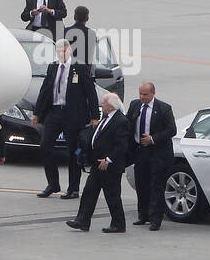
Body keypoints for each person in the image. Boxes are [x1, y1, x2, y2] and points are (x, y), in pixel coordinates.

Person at [32, 40, 100, 199]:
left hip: (73, 115)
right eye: (59, 51)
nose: (61, 54)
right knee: (45, 146)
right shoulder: (53, 67)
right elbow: (45, 91)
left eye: (64, 51)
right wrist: (37, 113)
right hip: (55, 112)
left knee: (73, 151)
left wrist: (94, 116)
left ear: (70, 51)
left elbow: (91, 93)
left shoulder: (80, 68)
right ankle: (53, 184)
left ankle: (73, 188)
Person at [66, 93, 131, 233]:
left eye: (104, 103)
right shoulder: (105, 118)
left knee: (112, 195)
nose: (102, 105)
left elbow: (121, 146)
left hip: (110, 166)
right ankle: (82, 220)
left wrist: (108, 159)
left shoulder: (121, 121)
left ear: (111, 106)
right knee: (89, 192)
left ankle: (119, 224)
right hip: (97, 164)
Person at [126, 82, 177, 230]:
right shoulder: (135, 105)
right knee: (141, 184)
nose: (142, 97)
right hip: (140, 151)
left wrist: (153, 139)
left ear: (153, 93)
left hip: (158, 153)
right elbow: (128, 124)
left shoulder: (164, 108)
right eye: (140, 94)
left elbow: (171, 130)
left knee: (156, 186)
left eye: (145, 94)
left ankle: (155, 219)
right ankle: (143, 215)